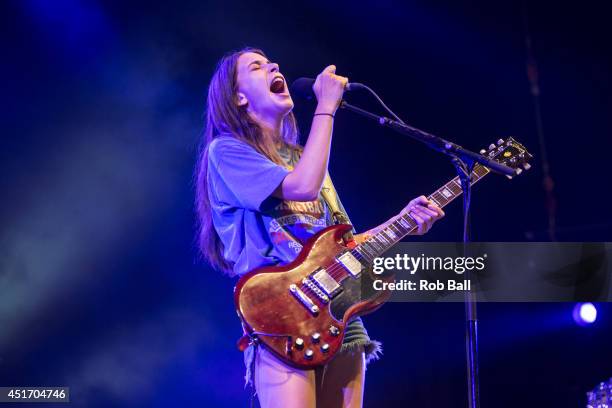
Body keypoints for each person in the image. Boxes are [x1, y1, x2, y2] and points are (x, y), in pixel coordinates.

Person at [195, 47, 444, 408]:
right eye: (257, 66)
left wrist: (403, 222)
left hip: (338, 309)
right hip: (280, 315)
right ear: (238, 97)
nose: (274, 65)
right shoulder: (226, 151)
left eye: (270, 61)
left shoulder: (303, 159)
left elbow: (344, 242)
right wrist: (325, 107)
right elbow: (301, 188)